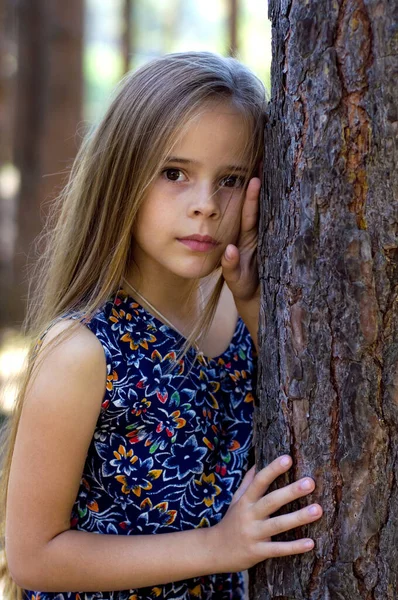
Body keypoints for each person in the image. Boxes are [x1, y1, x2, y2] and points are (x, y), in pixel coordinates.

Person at [1, 51, 322, 600]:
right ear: (121, 176)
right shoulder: (82, 352)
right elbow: (33, 556)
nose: (205, 206)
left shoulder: (238, 312)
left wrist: (251, 307)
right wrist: (219, 545)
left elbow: (311, 405)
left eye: (231, 179)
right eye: (174, 173)